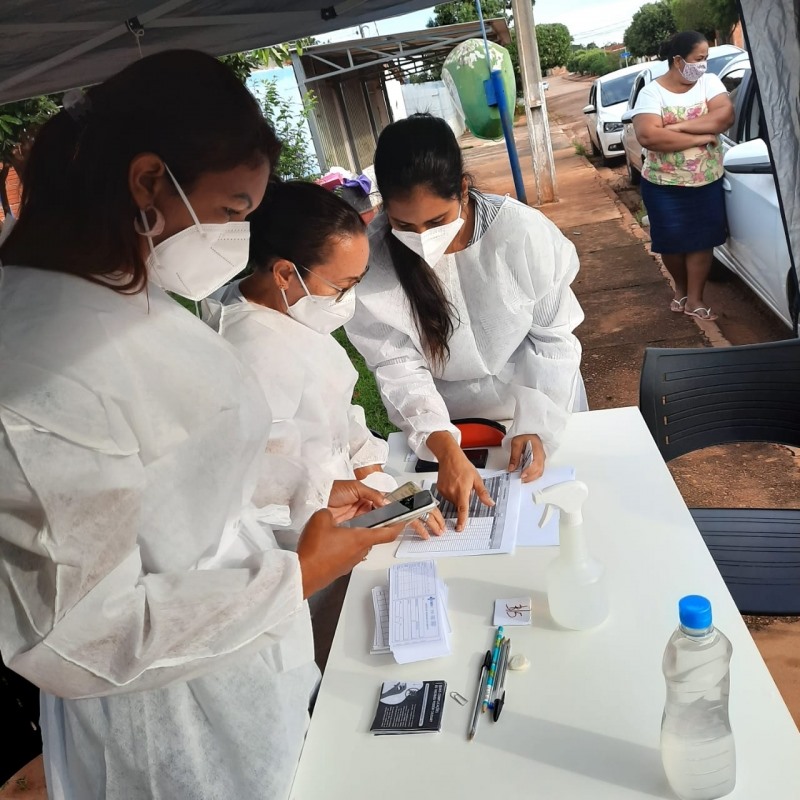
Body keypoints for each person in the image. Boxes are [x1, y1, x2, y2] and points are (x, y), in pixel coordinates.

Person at [0, 50, 404, 800]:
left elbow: (177, 486)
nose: (237, 237)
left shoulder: (120, 287)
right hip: (165, 729)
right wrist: (297, 575)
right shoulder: (37, 359)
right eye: (231, 211)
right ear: (149, 181)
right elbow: (77, 634)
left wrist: (300, 504)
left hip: (239, 670)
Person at [345, 114, 586, 531]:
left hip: (537, 395)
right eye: (405, 225)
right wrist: (443, 444)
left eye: (436, 221)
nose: (422, 237)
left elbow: (553, 339)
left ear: (462, 189)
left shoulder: (522, 234)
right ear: (384, 207)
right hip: (445, 415)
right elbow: (396, 364)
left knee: (552, 514)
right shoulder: (374, 259)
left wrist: (537, 426)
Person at [207, 180, 443, 538]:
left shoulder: (290, 308)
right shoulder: (249, 346)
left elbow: (335, 415)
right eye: (341, 286)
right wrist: (341, 501)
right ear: (285, 274)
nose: (347, 298)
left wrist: (382, 491)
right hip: (303, 533)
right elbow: (258, 480)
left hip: (351, 505)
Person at [631, 31, 735, 321]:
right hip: (664, 185)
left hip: (706, 181)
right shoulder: (652, 93)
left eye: (706, 58)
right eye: (698, 59)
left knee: (702, 241)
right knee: (672, 243)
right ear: (678, 60)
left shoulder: (709, 83)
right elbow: (649, 137)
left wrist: (675, 128)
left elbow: (724, 116)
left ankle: (696, 299)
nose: (703, 65)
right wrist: (700, 137)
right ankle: (681, 289)